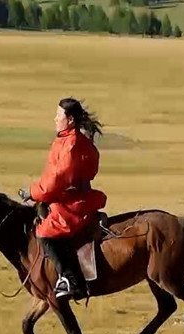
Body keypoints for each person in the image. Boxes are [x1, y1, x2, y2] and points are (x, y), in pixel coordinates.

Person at [19, 98, 107, 300]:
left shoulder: (71, 145)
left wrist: (32, 192)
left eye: (59, 116)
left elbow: (56, 180)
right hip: (75, 197)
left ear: (70, 120)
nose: (55, 119)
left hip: (72, 204)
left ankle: (71, 279)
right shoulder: (73, 141)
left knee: (44, 233)